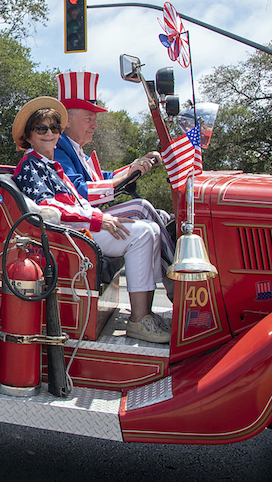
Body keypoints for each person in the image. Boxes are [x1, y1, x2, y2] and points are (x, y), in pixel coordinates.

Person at [12, 97, 170, 344]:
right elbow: (47, 207)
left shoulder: (52, 166)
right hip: (64, 235)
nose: (50, 133)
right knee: (142, 234)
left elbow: (77, 201)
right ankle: (140, 319)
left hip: (76, 228)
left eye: (54, 128)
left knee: (148, 228)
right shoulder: (31, 165)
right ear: (28, 136)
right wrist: (98, 219)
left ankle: (145, 315)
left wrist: (104, 216)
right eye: (41, 129)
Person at [53, 71, 175, 265]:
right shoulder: (57, 149)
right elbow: (81, 191)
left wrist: (137, 165)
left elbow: (102, 177)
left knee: (162, 216)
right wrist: (129, 172)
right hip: (75, 222)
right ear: (67, 120)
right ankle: (177, 271)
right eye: (89, 119)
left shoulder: (74, 149)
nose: (95, 125)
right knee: (141, 207)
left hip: (88, 217)